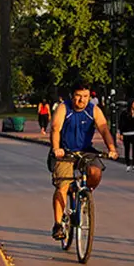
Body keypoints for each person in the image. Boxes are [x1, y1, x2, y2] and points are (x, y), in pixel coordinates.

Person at [49, 82, 118, 240]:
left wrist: (112, 149)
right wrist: (56, 148)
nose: (82, 100)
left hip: (86, 150)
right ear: (72, 96)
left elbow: (104, 129)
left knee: (95, 172)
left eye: (86, 96)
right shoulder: (63, 108)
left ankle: (86, 195)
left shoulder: (93, 110)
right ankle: (58, 224)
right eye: (79, 96)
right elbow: (55, 128)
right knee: (63, 186)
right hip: (65, 152)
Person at [119, 98, 134, 172]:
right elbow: (121, 124)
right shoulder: (124, 113)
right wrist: (121, 133)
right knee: (127, 149)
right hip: (126, 133)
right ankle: (128, 164)